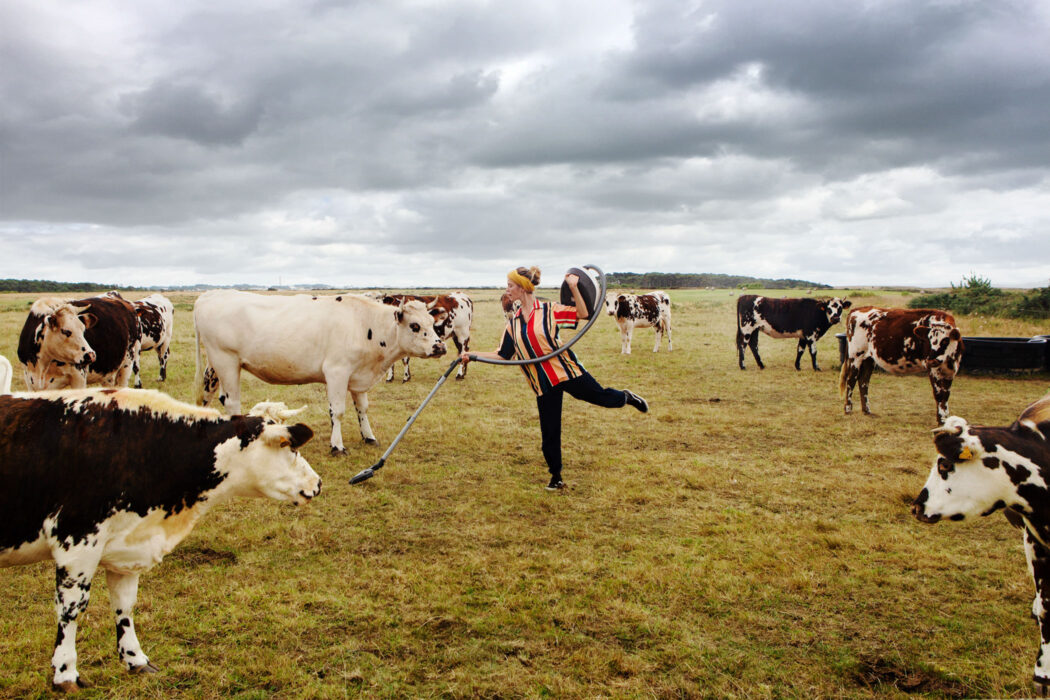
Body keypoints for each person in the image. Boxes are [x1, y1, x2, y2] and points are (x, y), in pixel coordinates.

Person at [461, 266, 649, 491]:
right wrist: (472, 356)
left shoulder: (549, 309)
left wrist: (573, 287)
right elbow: (502, 354)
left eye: (510, 285)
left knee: (600, 397)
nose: (507, 290)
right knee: (549, 430)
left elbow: (582, 313)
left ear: (523, 288)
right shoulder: (512, 324)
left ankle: (626, 397)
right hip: (542, 382)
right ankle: (556, 476)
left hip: (566, 371)